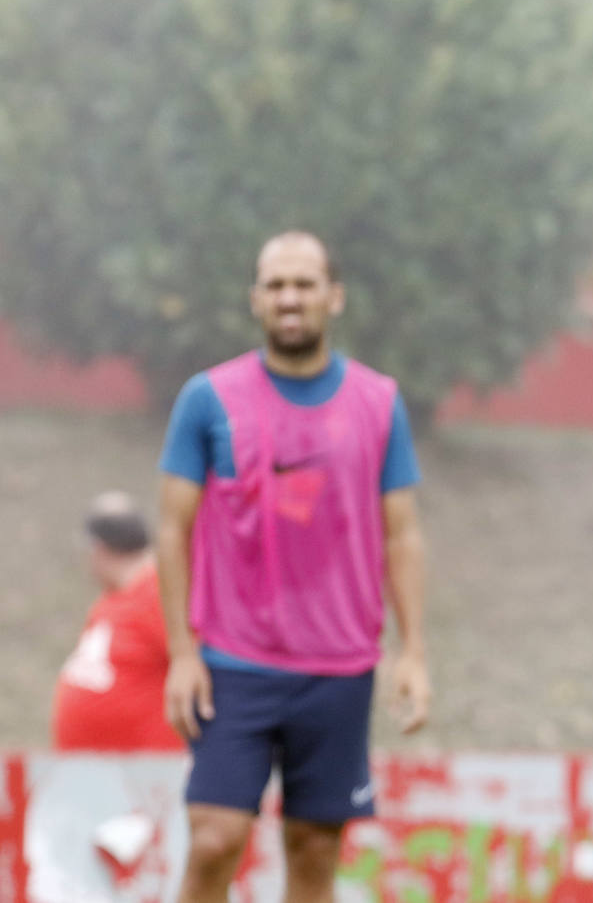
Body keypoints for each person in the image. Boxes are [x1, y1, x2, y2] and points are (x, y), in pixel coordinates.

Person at [156, 231, 431, 902]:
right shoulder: (207, 399)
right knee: (216, 837)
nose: (289, 298)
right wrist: (182, 653)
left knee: (313, 854)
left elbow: (402, 534)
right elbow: (171, 529)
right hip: (233, 664)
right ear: (255, 299)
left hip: (338, 667)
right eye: (275, 284)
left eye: (304, 284)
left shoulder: (378, 402)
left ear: (333, 297)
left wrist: (414, 651)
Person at [52, 491, 183, 752]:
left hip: (143, 778)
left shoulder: (157, 593)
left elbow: (195, 669)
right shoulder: (117, 595)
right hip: (99, 773)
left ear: (98, 549)